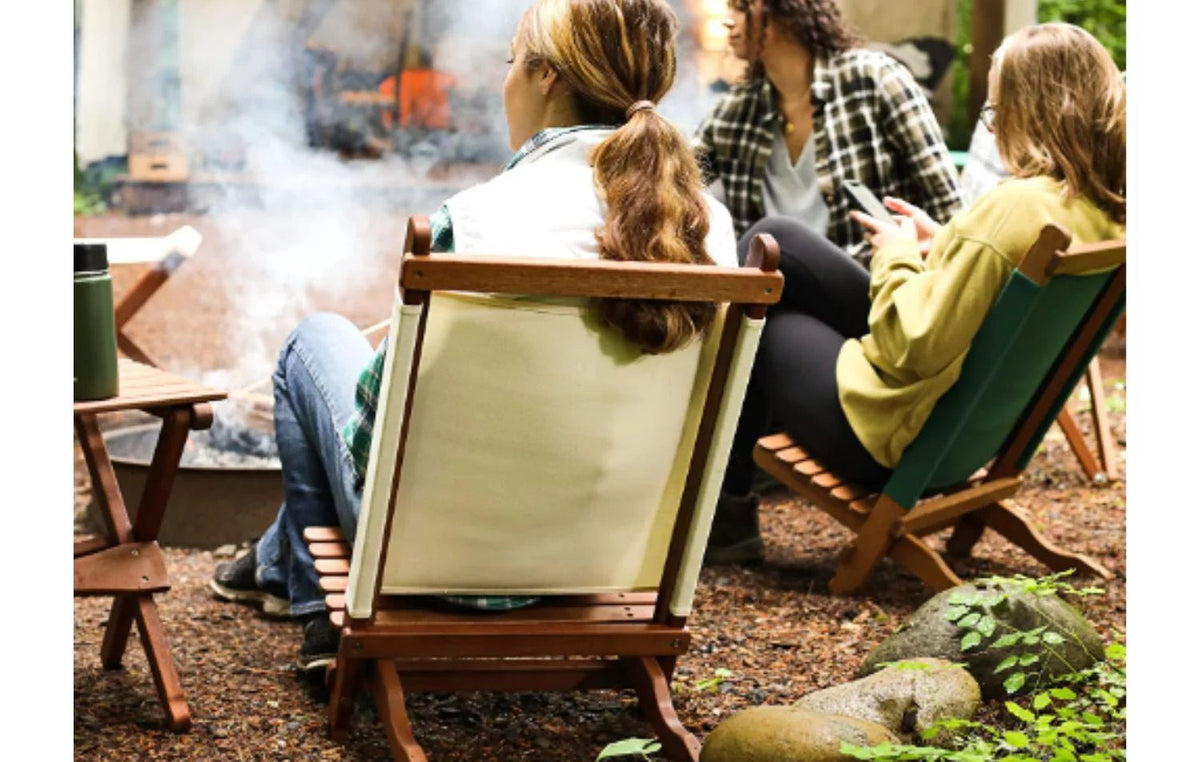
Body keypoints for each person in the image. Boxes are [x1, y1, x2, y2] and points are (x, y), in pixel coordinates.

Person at [210, 0, 739, 672]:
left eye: (511, 60)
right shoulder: (710, 230)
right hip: (601, 550)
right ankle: (273, 559)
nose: (505, 78)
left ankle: (313, 605)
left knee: (314, 342)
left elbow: (374, 447)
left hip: (438, 559)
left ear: (546, 76)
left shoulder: (480, 219)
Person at [704, 22, 1126, 564]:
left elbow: (912, 345)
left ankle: (725, 510)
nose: (993, 131)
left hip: (893, 434)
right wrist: (944, 239)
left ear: (1035, 112)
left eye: (997, 112)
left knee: (764, 310)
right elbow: (982, 286)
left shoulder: (1014, 207)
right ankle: (727, 506)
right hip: (968, 435)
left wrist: (895, 252)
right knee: (781, 241)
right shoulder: (1102, 211)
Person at [692, 0, 965, 255]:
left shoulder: (874, 79)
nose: (728, 21)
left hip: (870, 283)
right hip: (774, 293)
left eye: (741, 7)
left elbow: (948, 206)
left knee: (776, 233)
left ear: (784, 10)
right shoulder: (738, 108)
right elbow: (678, 177)